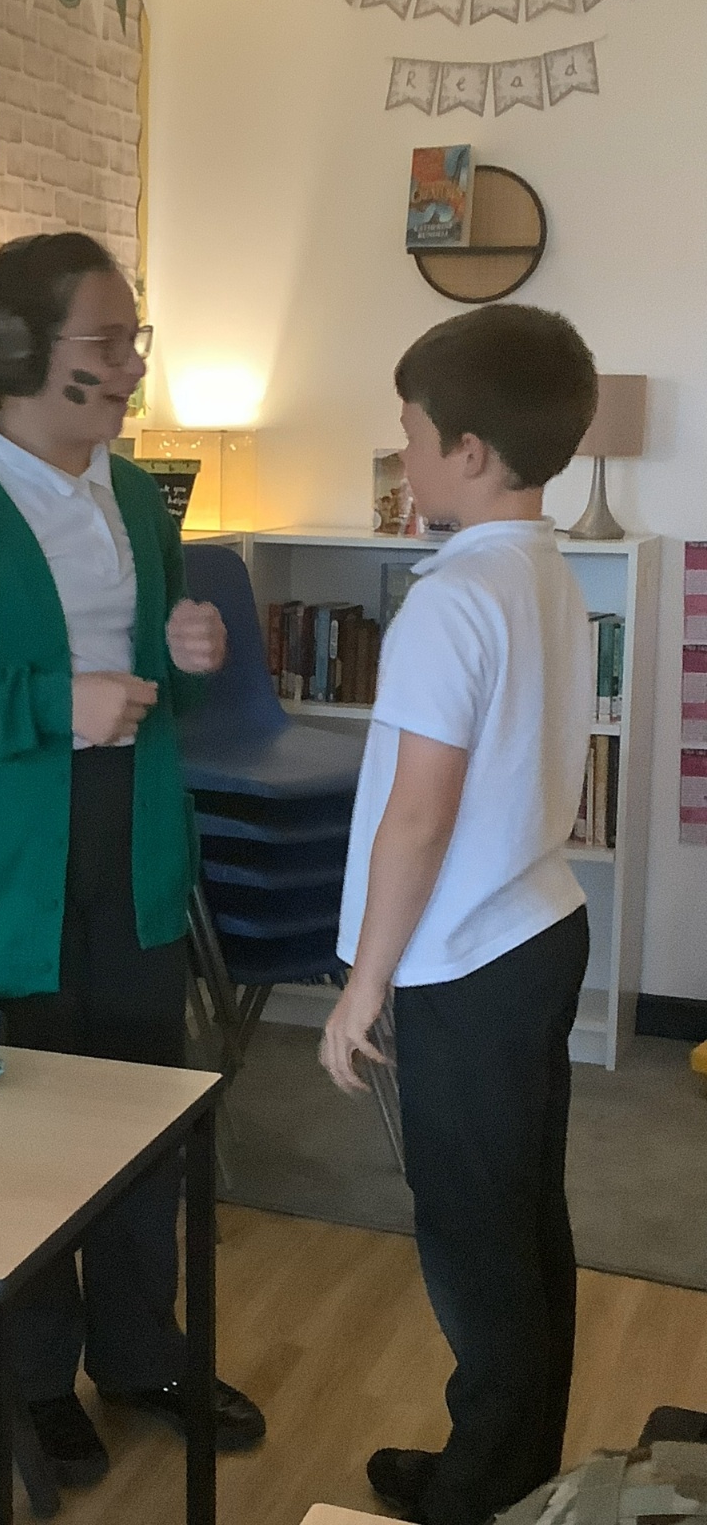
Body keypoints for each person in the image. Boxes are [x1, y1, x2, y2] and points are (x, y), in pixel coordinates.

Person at [0, 232, 265, 1489]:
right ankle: (32, 1375)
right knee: (13, 1129)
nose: (131, 366)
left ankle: (142, 1353)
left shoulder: (132, 498)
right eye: (108, 342)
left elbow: (149, 689)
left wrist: (184, 660)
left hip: (131, 848)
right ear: (19, 352)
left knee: (140, 1114)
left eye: (135, 339)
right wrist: (54, 704)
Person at [320, 304, 599, 1525]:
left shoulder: (449, 598)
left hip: (465, 959)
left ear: (470, 451)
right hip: (538, 928)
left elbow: (419, 815)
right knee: (524, 1215)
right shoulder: (548, 574)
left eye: (411, 435)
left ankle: (483, 1488)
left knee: (474, 1236)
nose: (404, 457)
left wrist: (362, 986)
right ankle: (511, 1462)